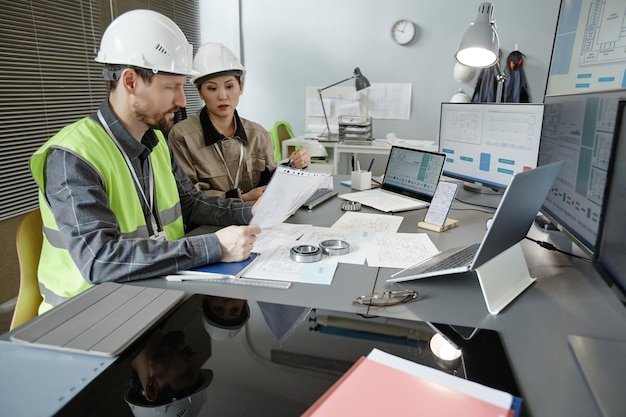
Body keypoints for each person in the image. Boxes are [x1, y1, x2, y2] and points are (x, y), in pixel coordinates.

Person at [29, 10, 261, 314]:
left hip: (153, 296)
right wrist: (214, 247)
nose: (181, 101)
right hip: (87, 316)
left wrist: (251, 211)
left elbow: (191, 204)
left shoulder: (157, 141)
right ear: (130, 81)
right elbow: (100, 259)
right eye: (171, 87)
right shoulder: (72, 156)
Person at [168, 42, 310, 202]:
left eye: (229, 86)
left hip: (255, 219)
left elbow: (269, 182)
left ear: (240, 87)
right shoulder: (182, 136)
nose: (222, 96)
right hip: (208, 224)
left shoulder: (259, 134)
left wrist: (295, 166)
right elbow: (188, 196)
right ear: (200, 92)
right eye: (212, 89)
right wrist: (242, 198)